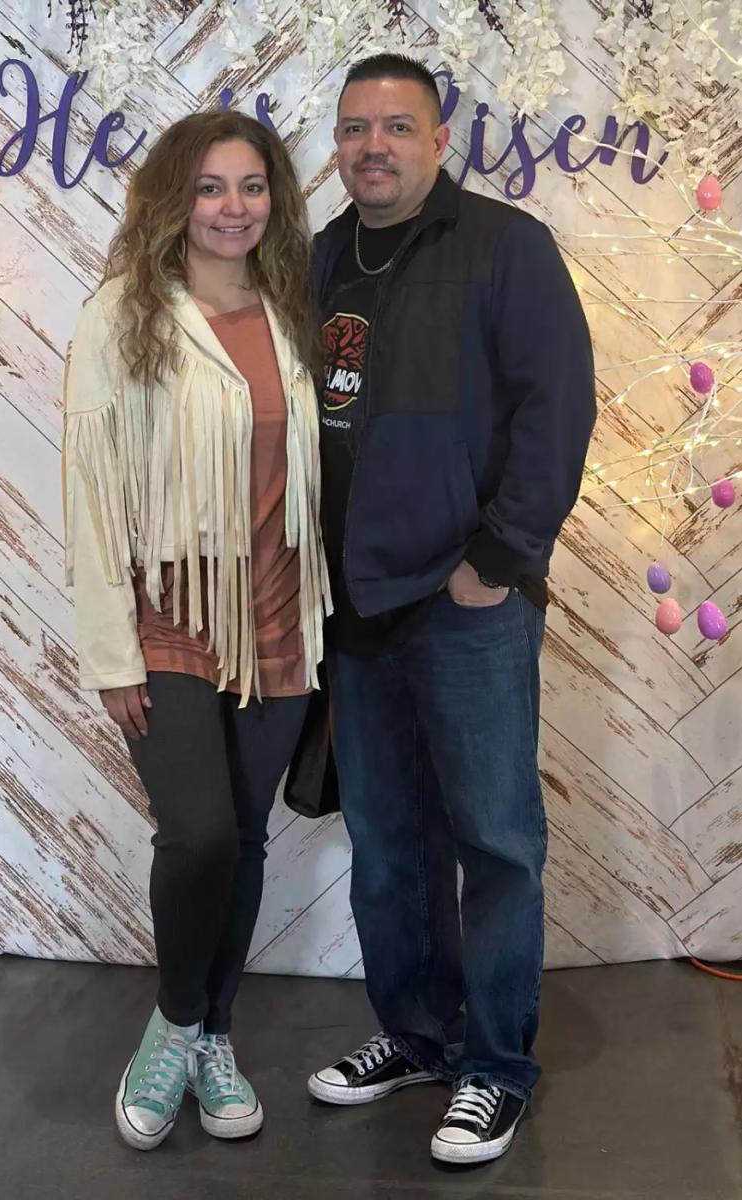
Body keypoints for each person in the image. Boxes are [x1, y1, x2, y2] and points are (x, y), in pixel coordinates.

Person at [306, 55, 596, 1165]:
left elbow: (556, 405)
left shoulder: (504, 247)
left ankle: (496, 1067)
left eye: (395, 126)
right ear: (337, 144)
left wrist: (499, 558)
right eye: (353, 128)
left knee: (494, 842)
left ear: (437, 139)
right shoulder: (320, 259)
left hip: (464, 602)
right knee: (388, 845)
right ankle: (419, 1037)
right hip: (356, 606)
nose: (371, 145)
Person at [63, 110, 331, 1151]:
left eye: (251, 186)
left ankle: (213, 1034)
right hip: (171, 613)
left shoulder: (295, 306)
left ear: (275, 200)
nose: (232, 207)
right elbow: (91, 495)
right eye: (211, 187)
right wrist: (110, 653)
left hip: (279, 609)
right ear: (175, 199)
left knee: (245, 837)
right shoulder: (122, 315)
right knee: (200, 833)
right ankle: (174, 1027)